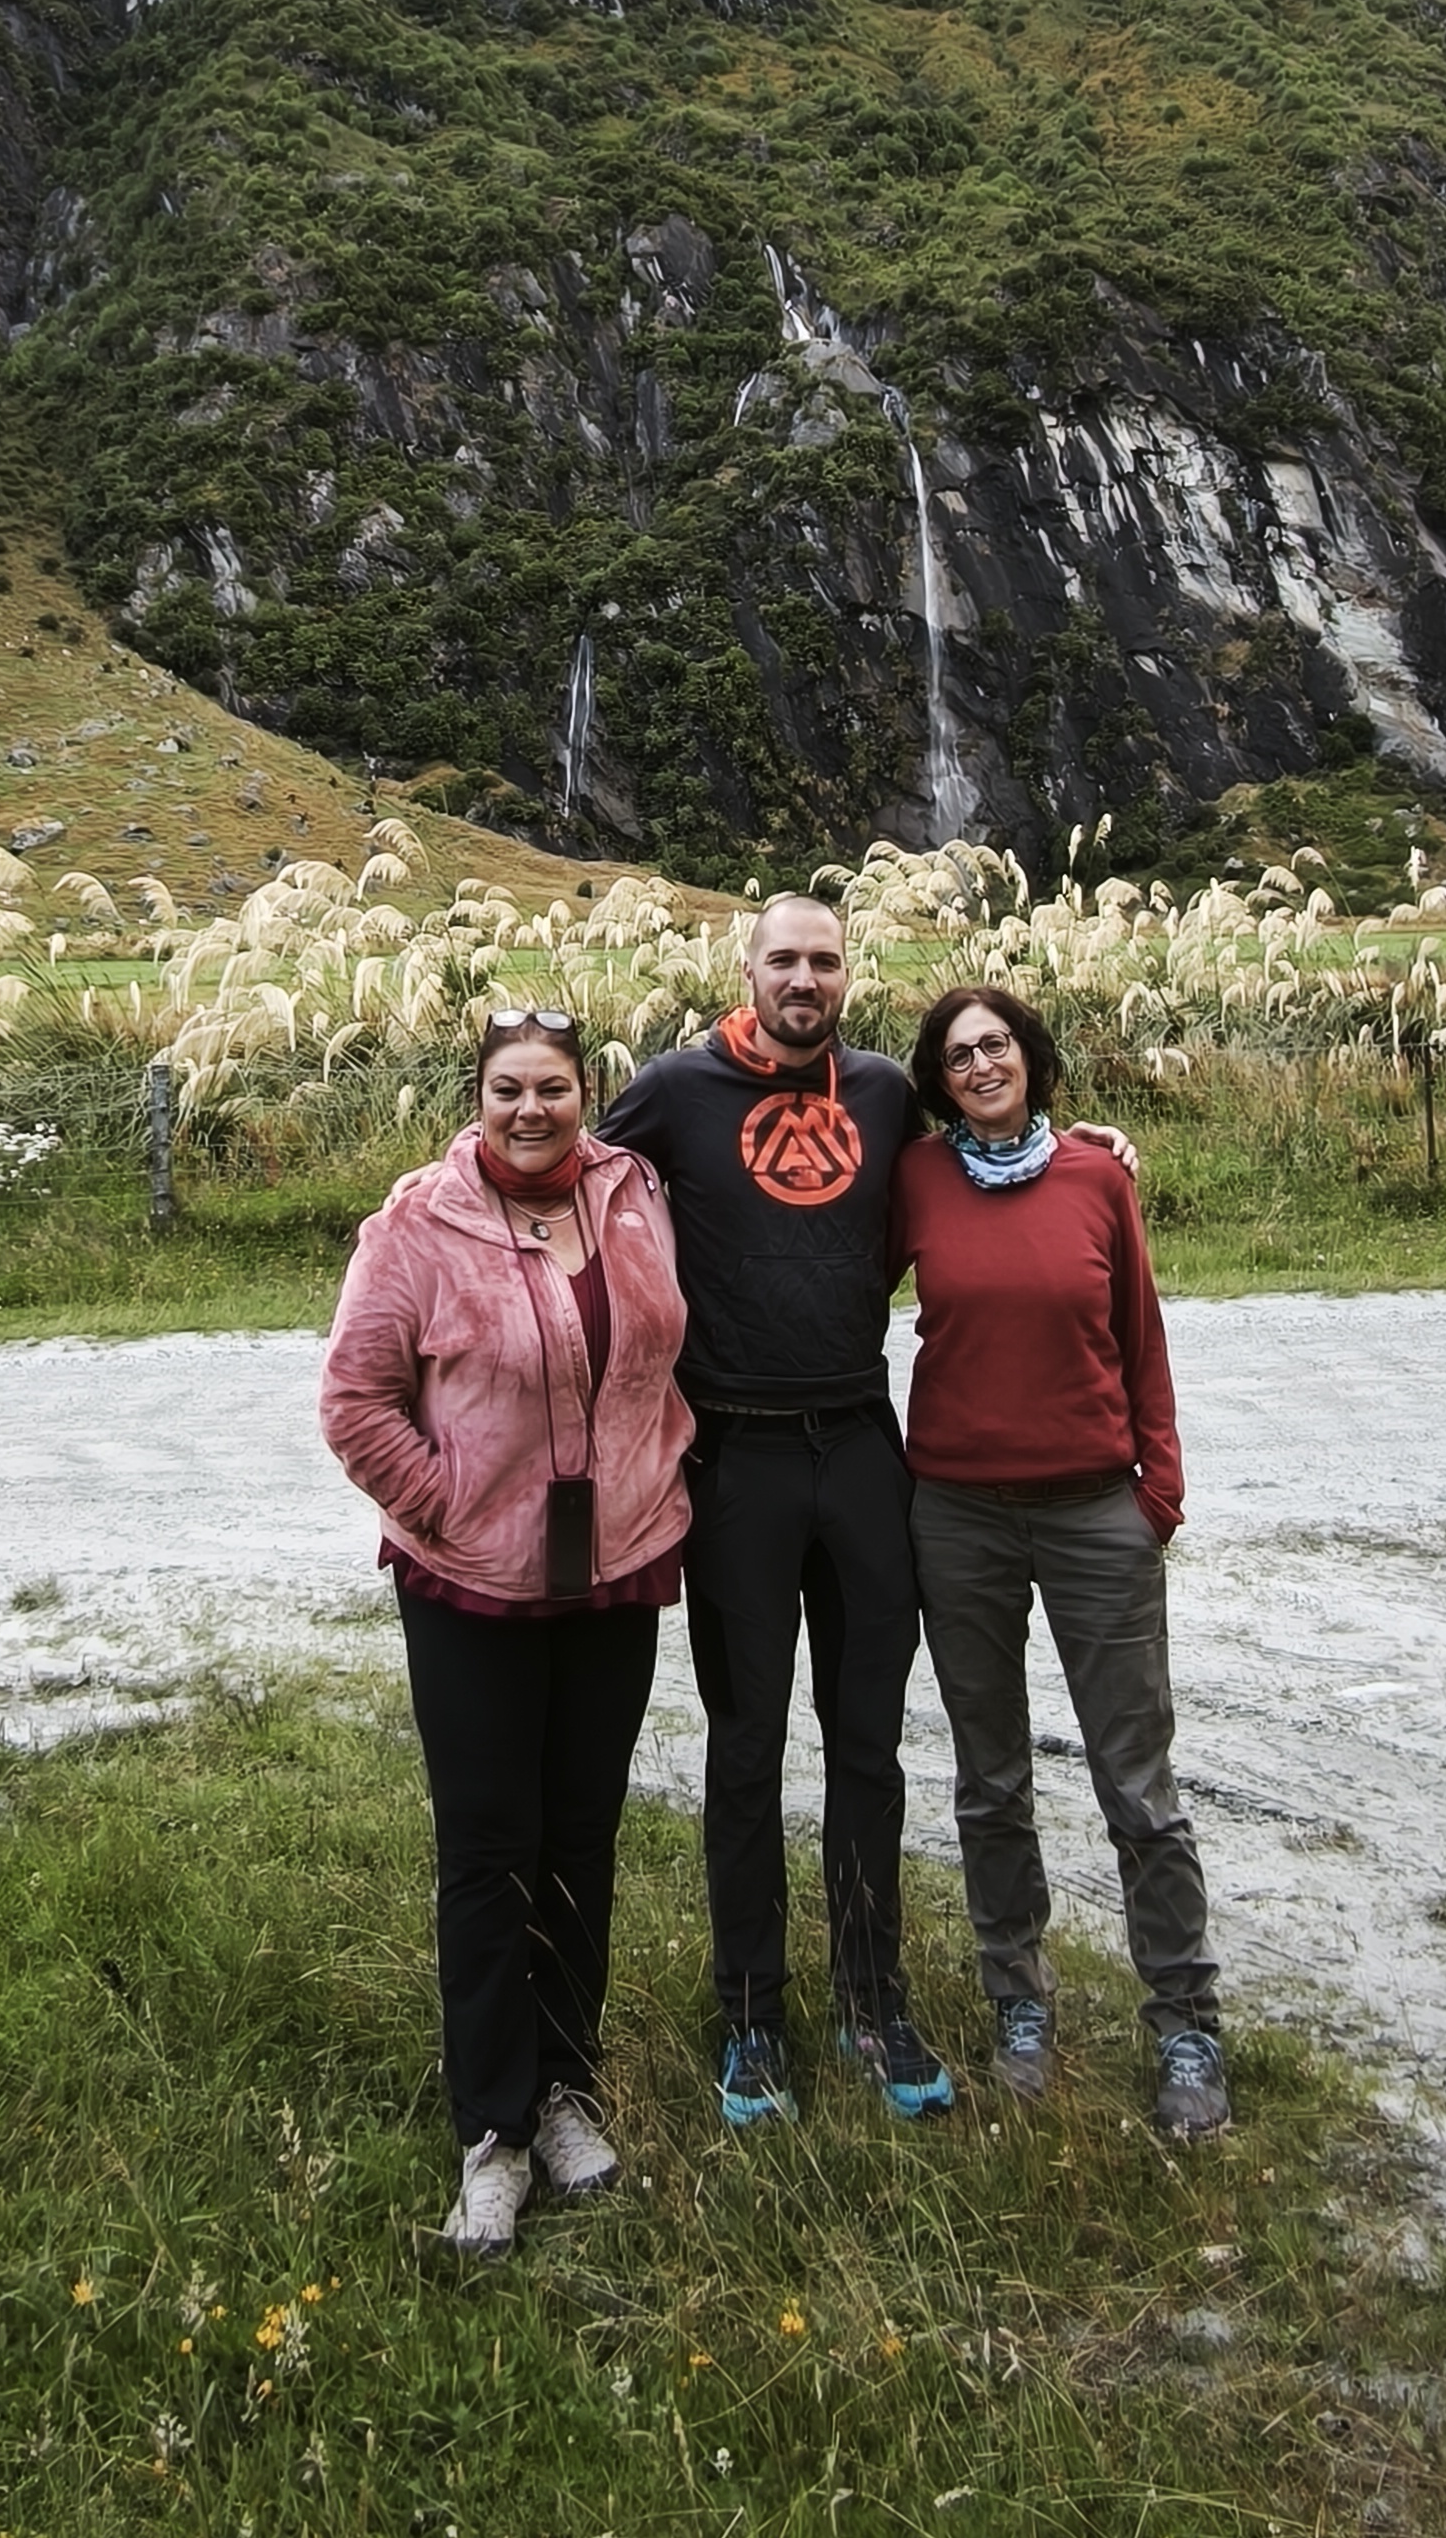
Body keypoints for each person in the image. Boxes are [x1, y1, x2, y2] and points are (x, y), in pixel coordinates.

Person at [319, 1007, 694, 2260]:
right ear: (475, 1099)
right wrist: (447, 1505)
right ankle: (494, 2131)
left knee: (581, 1838)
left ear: (589, 1095)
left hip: (615, 1568)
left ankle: (566, 2087)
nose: (532, 1109)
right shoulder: (416, 1224)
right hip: (471, 1582)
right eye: (507, 1089)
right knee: (490, 1851)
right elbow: (355, 1399)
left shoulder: (635, 1194)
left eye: (554, 1088)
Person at [598, 891, 956, 2126]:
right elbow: (567, 1173)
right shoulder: (673, 1089)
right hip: (735, 1457)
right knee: (746, 1746)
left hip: (859, 1447)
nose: (805, 979)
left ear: (850, 974)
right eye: (785, 959)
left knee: (868, 1742)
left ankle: (872, 1996)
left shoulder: (886, 1093)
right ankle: (751, 2012)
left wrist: (1090, 1148)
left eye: (825, 961)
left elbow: (987, 1151)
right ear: (746, 968)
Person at [892, 981, 1227, 2138]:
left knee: (1138, 1782)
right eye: (958, 1054)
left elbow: (1142, 1333)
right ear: (938, 1081)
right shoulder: (917, 1178)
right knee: (990, 1778)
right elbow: (825, 1270)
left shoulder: (1096, 1176)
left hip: (1094, 1511)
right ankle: (1019, 2001)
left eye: (997, 1044)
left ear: (1030, 1058)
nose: (981, 1064)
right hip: (958, 1514)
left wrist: (1158, 1492)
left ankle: (1184, 2019)